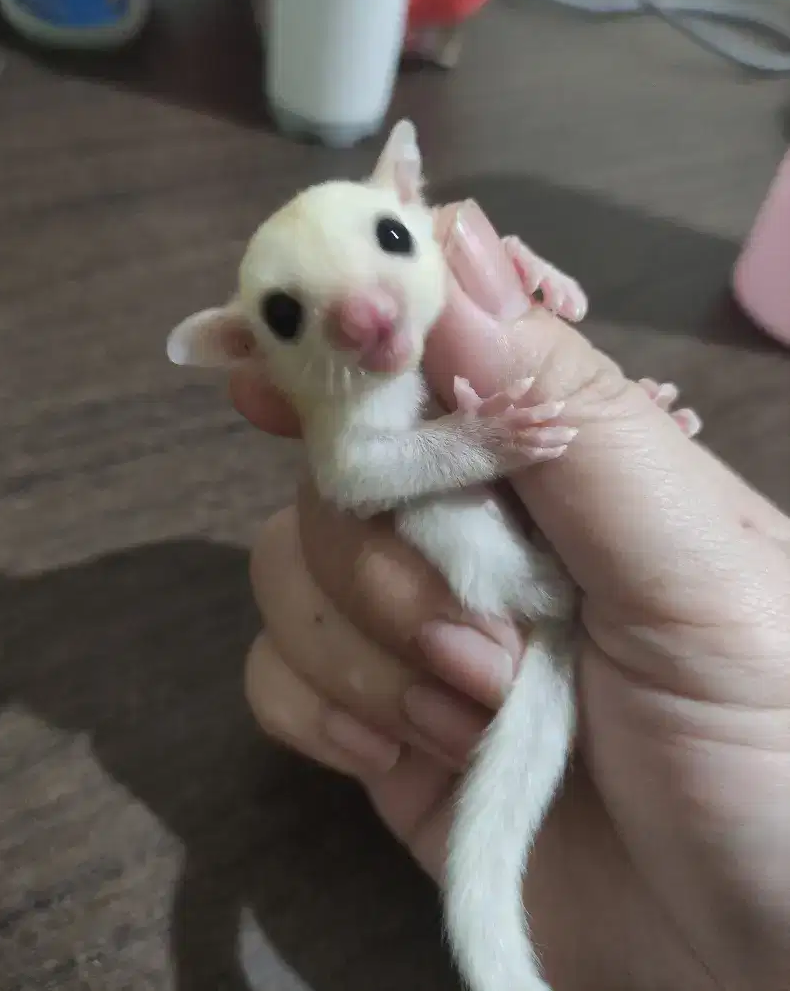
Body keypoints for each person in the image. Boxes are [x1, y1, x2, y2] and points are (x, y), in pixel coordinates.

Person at [230, 200, 790, 990]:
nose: (362, 313)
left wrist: (521, 288)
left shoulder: (450, 287)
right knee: (428, 508)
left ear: (416, 206)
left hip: (570, 589)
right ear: (248, 348)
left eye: (391, 238)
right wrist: (477, 443)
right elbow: (353, 476)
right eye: (289, 315)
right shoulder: (347, 400)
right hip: (526, 587)